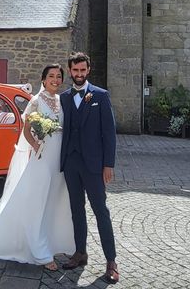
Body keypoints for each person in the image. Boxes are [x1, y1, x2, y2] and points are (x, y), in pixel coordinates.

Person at [0, 64, 75, 270]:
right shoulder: (36, 101)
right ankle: (39, 252)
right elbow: (26, 130)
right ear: (43, 80)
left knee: (53, 200)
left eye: (59, 76)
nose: (55, 80)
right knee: (37, 202)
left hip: (58, 159)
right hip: (42, 158)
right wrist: (35, 145)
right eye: (51, 76)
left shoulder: (62, 101)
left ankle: (53, 241)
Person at [60, 52, 119, 284]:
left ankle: (111, 261)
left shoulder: (101, 96)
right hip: (71, 163)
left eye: (83, 70)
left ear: (88, 70)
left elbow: (109, 133)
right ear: (70, 71)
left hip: (94, 165)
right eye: (75, 70)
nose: (79, 74)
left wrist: (109, 164)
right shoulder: (64, 98)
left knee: (101, 211)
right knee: (76, 210)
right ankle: (80, 252)